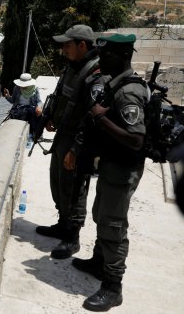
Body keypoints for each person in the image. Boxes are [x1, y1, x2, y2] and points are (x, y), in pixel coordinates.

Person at [72, 33, 149, 312]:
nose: (101, 59)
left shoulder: (128, 91)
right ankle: (98, 262)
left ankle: (113, 286)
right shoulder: (116, 84)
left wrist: (100, 117)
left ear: (123, 56)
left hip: (122, 167)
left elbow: (136, 138)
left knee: (113, 226)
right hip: (110, 165)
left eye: (107, 55)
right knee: (100, 214)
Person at [36, 24, 101, 260]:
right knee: (58, 182)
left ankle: (72, 237)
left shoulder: (95, 73)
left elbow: (92, 115)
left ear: (82, 45)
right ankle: (62, 224)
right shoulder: (73, 67)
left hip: (78, 140)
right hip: (63, 134)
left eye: (67, 44)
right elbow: (63, 97)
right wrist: (52, 117)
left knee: (74, 187)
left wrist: (76, 148)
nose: (63, 49)